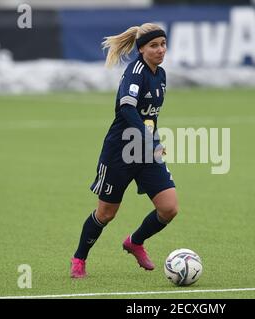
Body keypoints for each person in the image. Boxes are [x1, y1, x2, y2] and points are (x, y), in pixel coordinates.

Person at [70, 23, 178, 278]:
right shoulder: (135, 72)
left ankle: (135, 241)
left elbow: (150, 116)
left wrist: (153, 143)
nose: (160, 50)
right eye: (154, 45)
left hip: (146, 151)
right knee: (106, 213)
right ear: (141, 49)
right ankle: (79, 259)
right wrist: (149, 140)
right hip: (120, 151)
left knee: (169, 208)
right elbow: (127, 110)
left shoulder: (160, 74)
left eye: (163, 44)